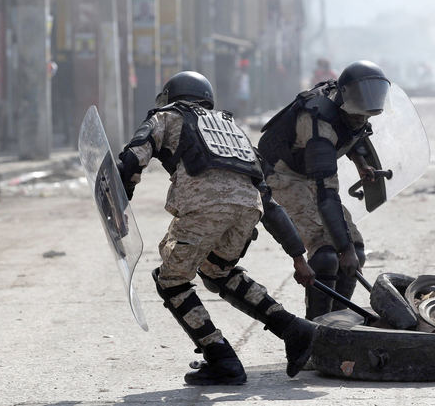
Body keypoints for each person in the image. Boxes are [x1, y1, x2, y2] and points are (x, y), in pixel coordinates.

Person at [116, 70, 316, 386]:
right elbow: (269, 202)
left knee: (171, 281)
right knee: (216, 271)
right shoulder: (232, 129)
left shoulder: (167, 117)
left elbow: (132, 158)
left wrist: (119, 204)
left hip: (204, 207)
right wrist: (297, 256)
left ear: (171, 96)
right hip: (248, 210)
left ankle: (221, 358)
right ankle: (293, 328)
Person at [257, 60, 391, 320]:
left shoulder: (349, 107)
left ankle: (338, 323)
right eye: (358, 114)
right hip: (281, 175)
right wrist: (344, 250)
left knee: (357, 250)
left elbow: (352, 132)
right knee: (327, 254)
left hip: (309, 172)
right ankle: (316, 329)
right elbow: (325, 195)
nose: (361, 119)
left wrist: (361, 163)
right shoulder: (318, 123)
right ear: (345, 98)